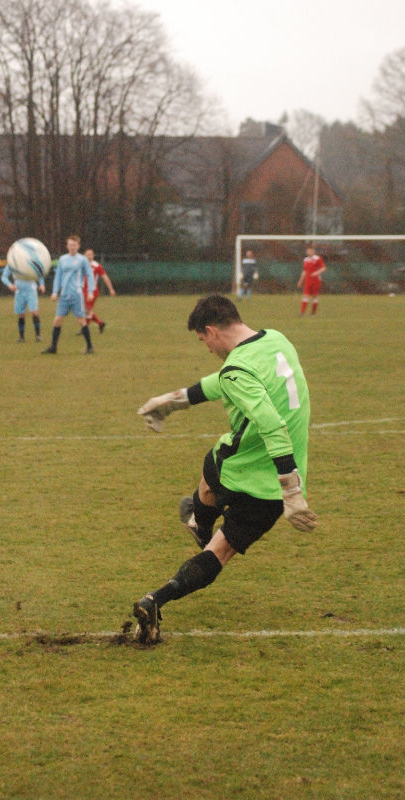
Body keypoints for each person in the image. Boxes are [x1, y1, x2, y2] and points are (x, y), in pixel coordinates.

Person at [132, 294, 317, 644]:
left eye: (203, 340)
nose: (206, 348)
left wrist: (292, 491)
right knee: (220, 552)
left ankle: (199, 522)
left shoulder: (236, 368)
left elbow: (270, 423)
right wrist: (172, 401)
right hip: (270, 493)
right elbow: (223, 382)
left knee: (211, 474)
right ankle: (156, 598)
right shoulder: (277, 341)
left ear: (212, 331)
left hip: (241, 467)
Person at [42, 235, 95, 355]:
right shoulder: (62, 259)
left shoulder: (82, 260)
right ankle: (53, 347)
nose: (72, 247)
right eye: (70, 245)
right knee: (57, 320)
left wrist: (90, 291)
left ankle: (90, 347)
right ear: (67, 246)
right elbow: (58, 277)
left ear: (78, 246)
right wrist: (55, 292)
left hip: (76, 295)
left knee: (81, 320)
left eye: (74, 245)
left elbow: (90, 275)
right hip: (64, 296)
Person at [0, 262, 45, 342]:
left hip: (31, 290)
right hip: (19, 292)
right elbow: (4, 277)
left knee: (34, 312)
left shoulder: (30, 261)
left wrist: (42, 284)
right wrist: (10, 285)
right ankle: (21, 337)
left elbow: (39, 274)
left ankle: (38, 336)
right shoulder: (12, 263)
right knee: (21, 314)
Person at [82, 248, 116, 333]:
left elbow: (105, 277)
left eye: (91, 254)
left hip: (92, 292)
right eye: (87, 254)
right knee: (85, 310)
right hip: (82, 291)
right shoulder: (81, 265)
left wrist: (111, 288)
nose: (89, 256)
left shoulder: (97, 266)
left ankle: (84, 329)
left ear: (93, 256)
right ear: (84, 255)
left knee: (87, 310)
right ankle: (100, 323)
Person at [297, 244, 326, 316]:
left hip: (316, 280)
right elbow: (304, 271)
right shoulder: (305, 259)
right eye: (308, 250)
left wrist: (316, 273)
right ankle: (302, 312)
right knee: (305, 295)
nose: (309, 252)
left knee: (314, 296)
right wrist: (300, 281)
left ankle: (313, 313)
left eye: (310, 250)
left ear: (313, 251)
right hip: (308, 280)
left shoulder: (317, 258)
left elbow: (323, 268)